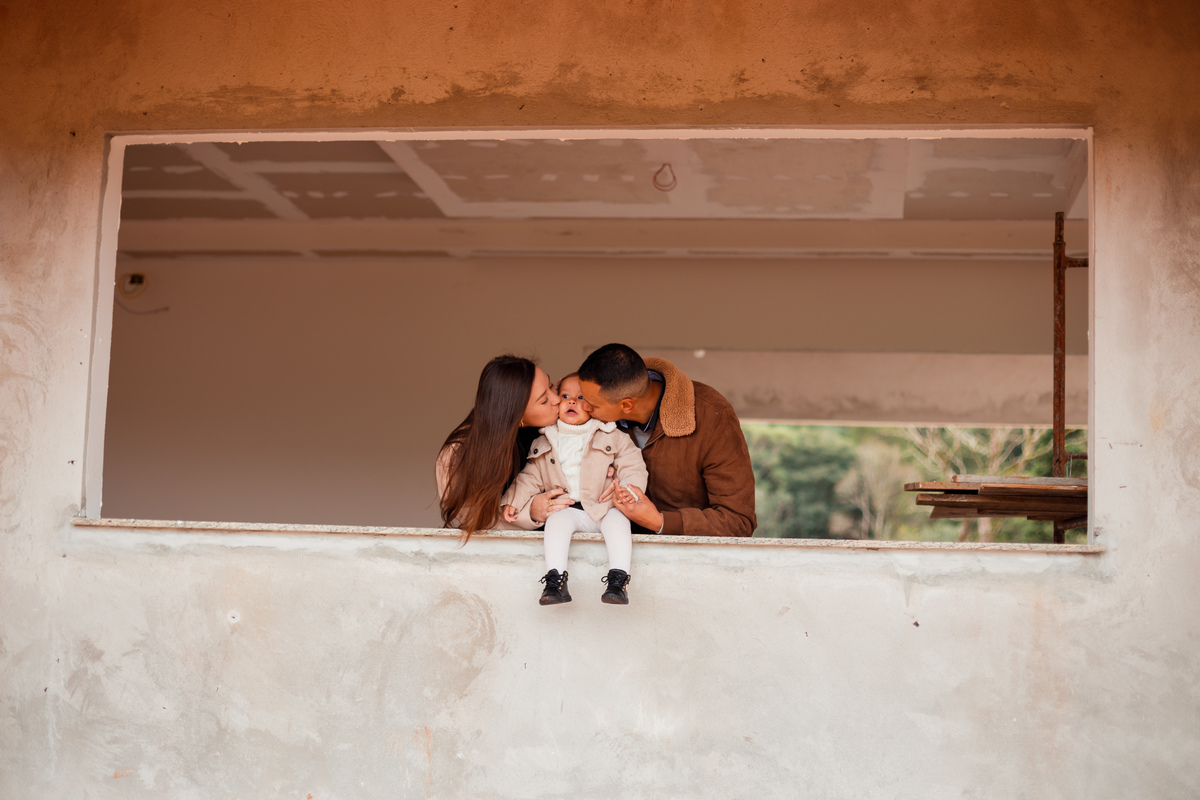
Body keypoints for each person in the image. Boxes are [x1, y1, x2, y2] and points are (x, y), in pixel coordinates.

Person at [577, 343, 757, 537]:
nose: (583, 407)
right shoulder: (595, 415)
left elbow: (738, 521)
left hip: (687, 561)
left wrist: (659, 522)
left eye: (592, 405)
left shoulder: (712, 415)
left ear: (627, 405)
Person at [501, 375, 648, 606]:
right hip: (569, 508)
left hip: (603, 506)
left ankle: (618, 580)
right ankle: (556, 580)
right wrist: (514, 500)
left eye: (581, 398)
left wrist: (630, 489)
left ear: (593, 406)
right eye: (565, 396)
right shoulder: (544, 441)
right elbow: (530, 477)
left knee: (619, 522)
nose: (572, 402)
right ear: (557, 402)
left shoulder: (611, 434)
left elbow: (632, 463)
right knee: (555, 523)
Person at [436, 355, 576, 537]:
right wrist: (530, 512)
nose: (556, 399)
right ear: (517, 417)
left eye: (551, 386)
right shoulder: (457, 454)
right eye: (543, 400)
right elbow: (472, 518)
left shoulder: (561, 426)